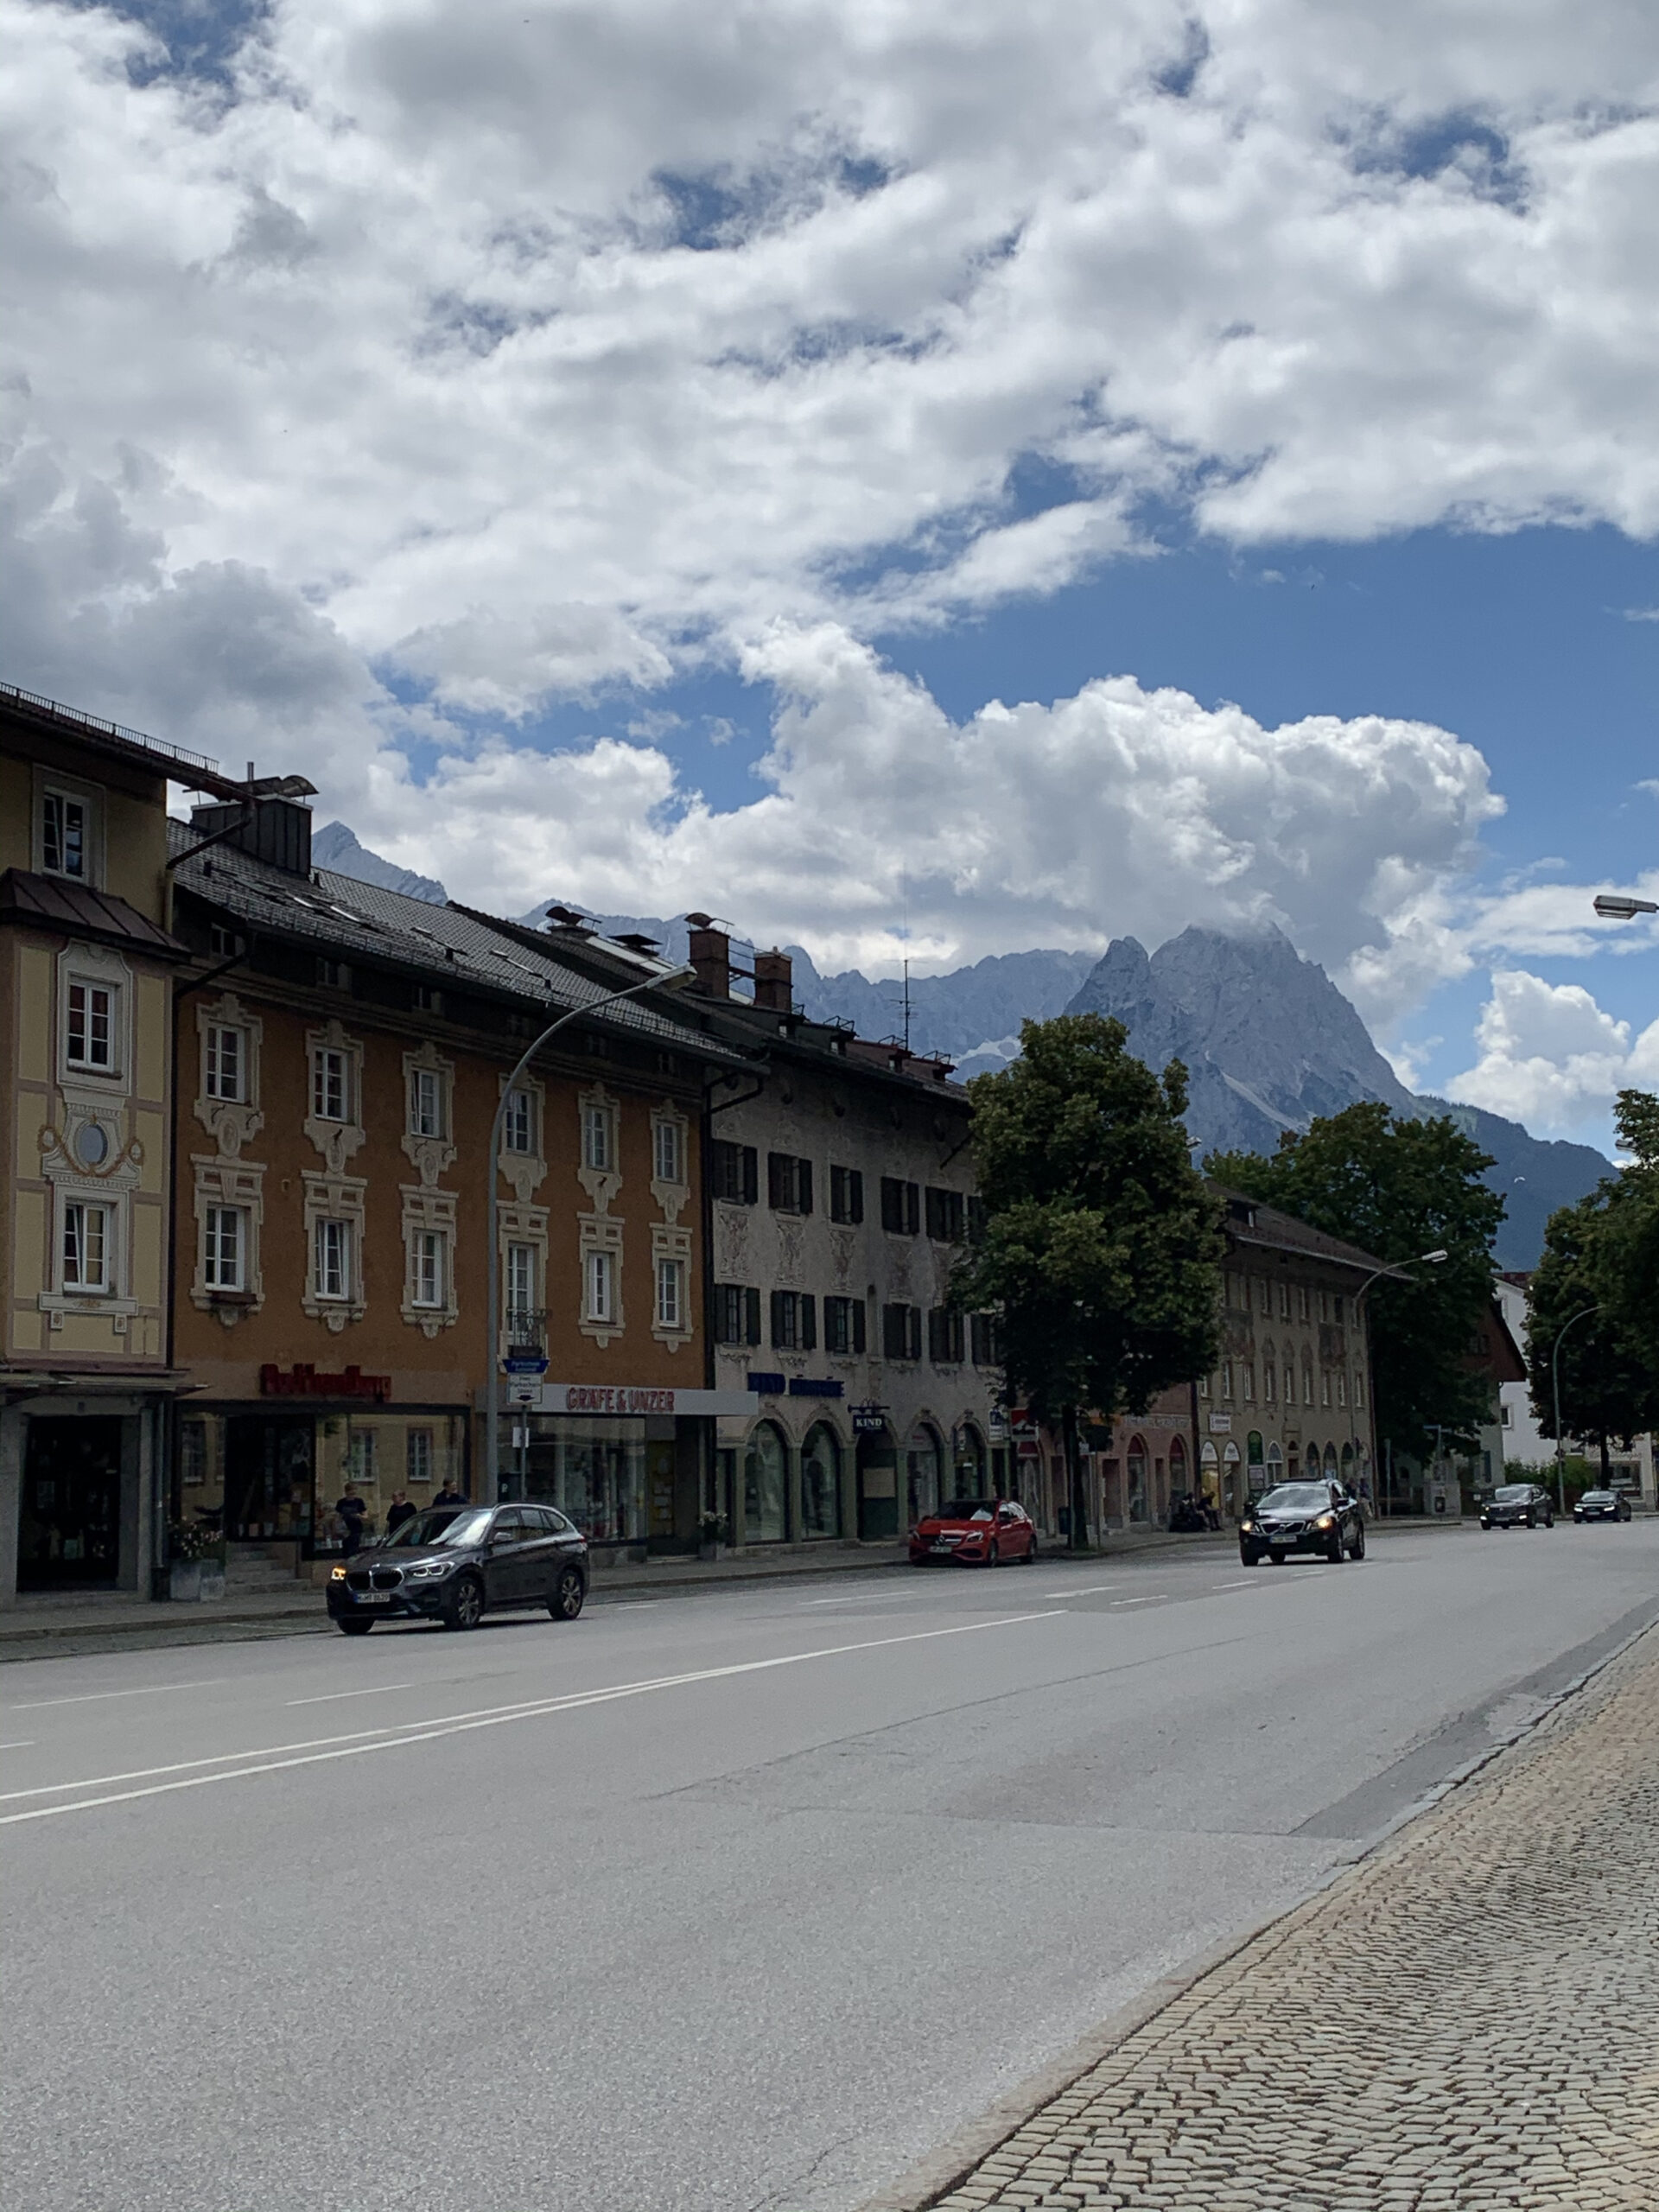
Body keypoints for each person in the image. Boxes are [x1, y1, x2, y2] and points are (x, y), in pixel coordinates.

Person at [334, 1484, 369, 1556]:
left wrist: (358, 1516)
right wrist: (336, 1527)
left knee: (354, 1548)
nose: (352, 1496)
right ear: (346, 1492)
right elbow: (337, 1516)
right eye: (351, 1494)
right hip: (345, 1528)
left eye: (354, 1494)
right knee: (346, 1548)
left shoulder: (359, 1501)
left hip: (356, 1528)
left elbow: (366, 1516)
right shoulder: (341, 1502)